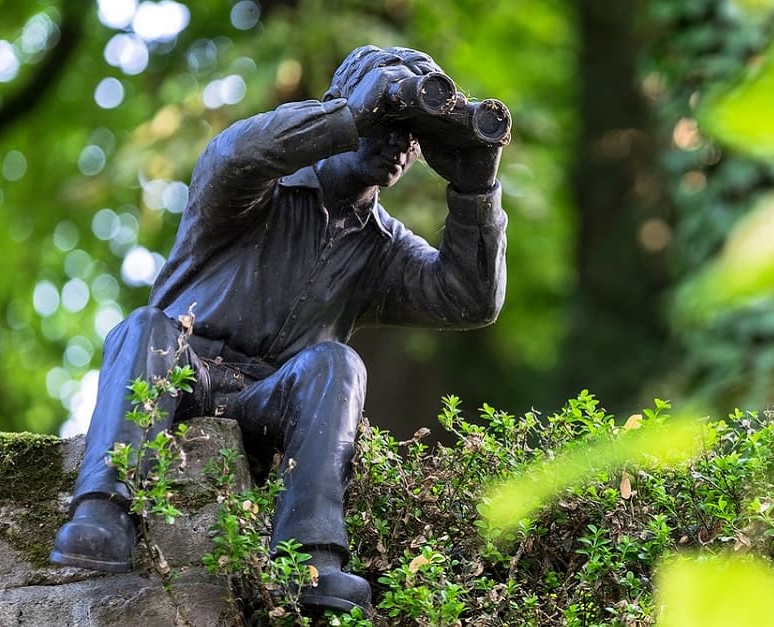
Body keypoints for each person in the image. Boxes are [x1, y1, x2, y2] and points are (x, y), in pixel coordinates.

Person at [50, 45, 508, 615]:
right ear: (351, 108)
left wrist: (475, 190)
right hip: (178, 372)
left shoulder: (381, 246)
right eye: (390, 123)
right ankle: (101, 509)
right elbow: (233, 155)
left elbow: (468, 298)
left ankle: (309, 561)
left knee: (336, 362)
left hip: (265, 405)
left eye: (413, 136)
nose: (399, 146)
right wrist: (346, 119)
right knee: (145, 328)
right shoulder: (259, 183)